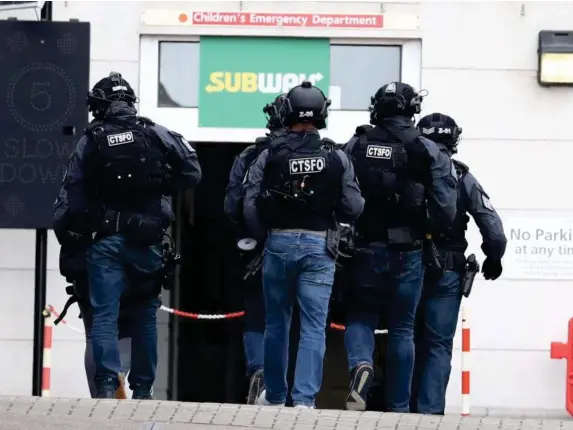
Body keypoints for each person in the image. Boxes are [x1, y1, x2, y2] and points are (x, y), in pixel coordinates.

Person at [55, 72, 201, 399]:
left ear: (99, 106)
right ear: (131, 102)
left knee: (104, 315)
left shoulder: (89, 141)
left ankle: (107, 387)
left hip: (104, 243)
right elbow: (193, 171)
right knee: (146, 316)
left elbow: (72, 197)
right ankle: (144, 390)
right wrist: (159, 187)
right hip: (146, 242)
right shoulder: (156, 134)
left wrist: (96, 219)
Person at [243, 81, 364, 409]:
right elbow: (354, 207)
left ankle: (276, 397)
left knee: (276, 323)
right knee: (313, 326)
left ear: (287, 112)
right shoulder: (336, 155)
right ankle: (305, 401)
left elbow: (249, 201)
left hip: (278, 243)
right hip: (319, 247)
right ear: (322, 114)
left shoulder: (269, 154)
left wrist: (264, 235)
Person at [341, 82, 458, 412]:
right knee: (402, 328)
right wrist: (426, 229)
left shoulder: (357, 142)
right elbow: (446, 209)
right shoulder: (429, 150)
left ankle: (361, 365)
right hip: (408, 251)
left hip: (365, 247)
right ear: (412, 109)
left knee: (360, 318)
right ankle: (398, 408)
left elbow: (342, 194)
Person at [410, 113, 507, 415]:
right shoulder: (463, 177)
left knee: (402, 337)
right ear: (454, 140)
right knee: (437, 346)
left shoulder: (405, 172)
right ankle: (428, 415)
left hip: (404, 265)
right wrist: (493, 258)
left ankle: (397, 410)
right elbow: (494, 230)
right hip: (446, 272)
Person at [53, 196, 174, 399]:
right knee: (140, 322)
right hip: (141, 255)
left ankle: (105, 388)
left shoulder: (87, 166)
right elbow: (166, 211)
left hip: (96, 255)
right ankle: (140, 388)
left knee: (98, 325)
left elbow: (62, 217)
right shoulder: (153, 167)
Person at [224, 94, 287, 404]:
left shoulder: (249, 156)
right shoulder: (321, 151)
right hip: (298, 247)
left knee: (256, 316)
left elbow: (231, 205)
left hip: (253, 246)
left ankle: (259, 370)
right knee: (294, 319)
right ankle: (285, 386)